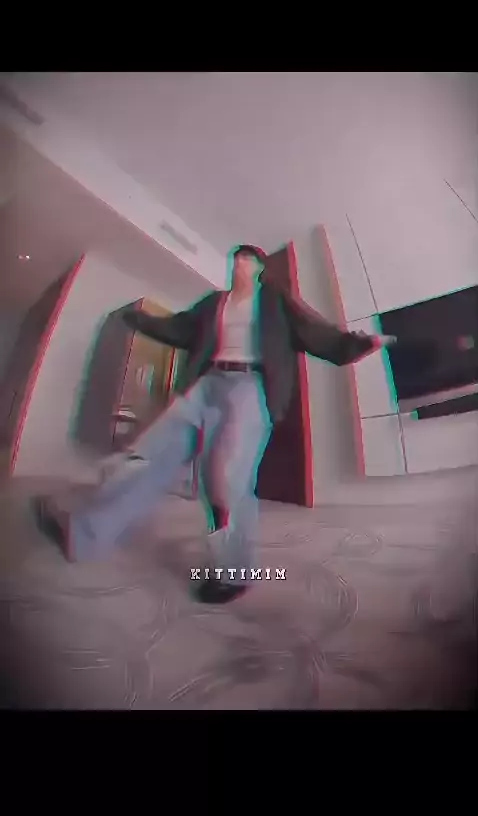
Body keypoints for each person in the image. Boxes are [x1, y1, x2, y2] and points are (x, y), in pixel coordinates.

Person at [33, 245, 396, 604]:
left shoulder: (275, 303)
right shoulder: (213, 303)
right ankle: (83, 534)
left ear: (260, 268)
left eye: (248, 260)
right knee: (145, 457)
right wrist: (140, 320)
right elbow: (180, 329)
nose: (240, 264)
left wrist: (358, 344)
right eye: (236, 259)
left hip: (249, 387)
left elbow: (316, 333)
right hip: (205, 383)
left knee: (226, 479)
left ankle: (234, 573)